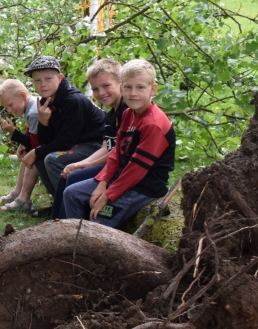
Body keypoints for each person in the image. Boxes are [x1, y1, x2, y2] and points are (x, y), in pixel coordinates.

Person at [63, 59, 176, 228]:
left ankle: (89, 249)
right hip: (120, 178)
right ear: (122, 88)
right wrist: (102, 183)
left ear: (153, 89)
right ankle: (73, 238)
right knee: (72, 193)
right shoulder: (129, 113)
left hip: (143, 187)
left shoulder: (153, 124)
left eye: (140, 87)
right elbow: (117, 153)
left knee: (99, 218)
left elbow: (136, 169)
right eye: (128, 87)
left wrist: (108, 195)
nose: (133, 93)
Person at [19, 56, 105, 214]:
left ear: (60, 78)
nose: (43, 84)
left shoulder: (73, 100)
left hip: (96, 146)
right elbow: (48, 141)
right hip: (76, 144)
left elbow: (65, 142)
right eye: (37, 80)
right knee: (41, 157)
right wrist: (43, 123)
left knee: (52, 160)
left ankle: (73, 208)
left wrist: (36, 151)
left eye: (48, 79)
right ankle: (60, 202)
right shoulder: (48, 101)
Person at [51, 58, 126, 219]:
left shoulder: (127, 110)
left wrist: (87, 164)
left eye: (106, 86)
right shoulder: (110, 114)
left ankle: (69, 227)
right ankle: (55, 222)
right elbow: (106, 147)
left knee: (74, 179)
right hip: (109, 163)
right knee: (68, 174)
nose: (101, 93)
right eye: (95, 89)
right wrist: (80, 164)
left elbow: (119, 152)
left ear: (121, 83)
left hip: (118, 168)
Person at [0, 79, 40, 213]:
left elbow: (35, 143)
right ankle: (17, 192)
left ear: (23, 95)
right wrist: (22, 144)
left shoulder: (33, 112)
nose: (9, 110)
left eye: (10, 105)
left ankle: (23, 199)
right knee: (27, 154)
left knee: (32, 156)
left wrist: (13, 132)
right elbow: (32, 135)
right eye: (6, 108)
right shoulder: (30, 106)